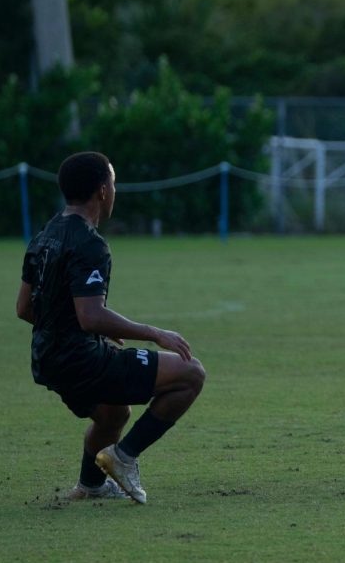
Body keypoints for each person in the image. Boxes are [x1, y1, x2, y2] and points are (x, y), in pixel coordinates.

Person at [16, 152, 205, 503]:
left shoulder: (45, 235)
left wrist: (87, 330)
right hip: (80, 359)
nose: (115, 190)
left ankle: (90, 485)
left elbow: (25, 308)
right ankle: (124, 458)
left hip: (47, 358)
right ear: (102, 191)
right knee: (191, 373)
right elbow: (90, 315)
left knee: (113, 412)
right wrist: (154, 333)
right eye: (113, 183)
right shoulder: (90, 244)